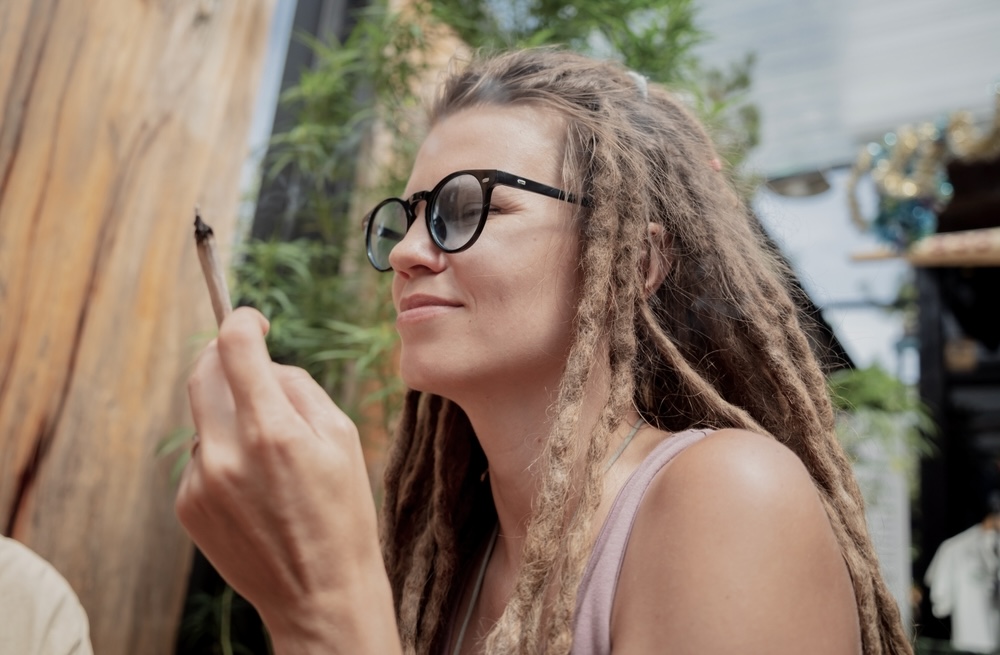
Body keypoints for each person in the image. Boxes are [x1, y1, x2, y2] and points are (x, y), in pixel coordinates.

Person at [176, 48, 912, 654]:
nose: (405, 251)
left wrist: (325, 613)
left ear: (633, 260)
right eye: (404, 218)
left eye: (465, 209)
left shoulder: (731, 497)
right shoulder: (451, 561)